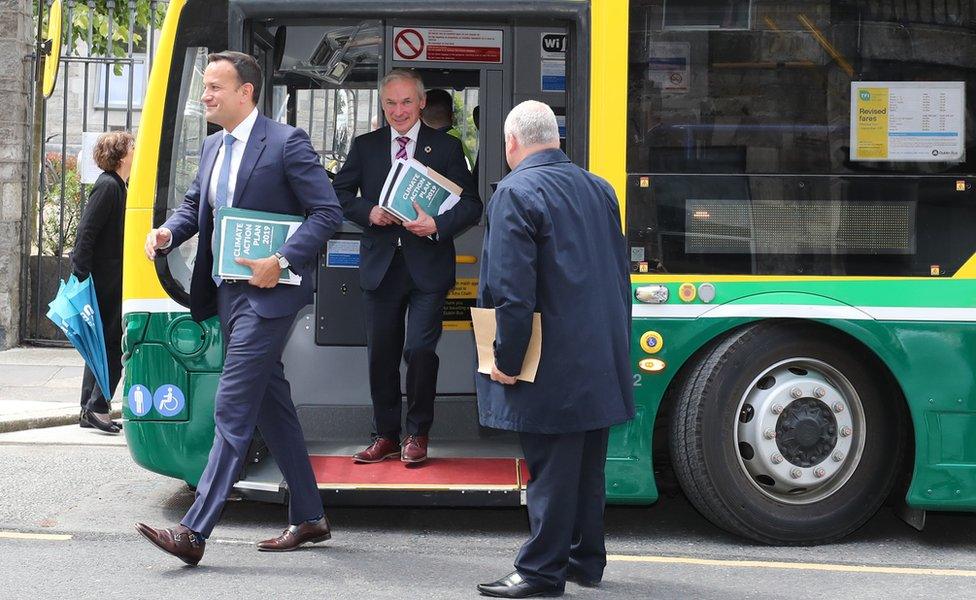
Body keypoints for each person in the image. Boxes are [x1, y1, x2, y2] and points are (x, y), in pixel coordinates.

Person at [138, 51, 343, 566]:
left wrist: (282, 258)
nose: (203, 96)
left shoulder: (286, 142)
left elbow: (327, 212)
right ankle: (310, 516)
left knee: (232, 405)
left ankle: (194, 530)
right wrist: (167, 232)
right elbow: (194, 206)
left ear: (245, 92)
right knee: (270, 402)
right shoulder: (212, 146)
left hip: (270, 295)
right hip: (229, 292)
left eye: (213, 87)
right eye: (204, 87)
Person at [474, 101, 635, 598]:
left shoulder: (515, 192)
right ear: (555, 138)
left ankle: (541, 571)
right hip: (600, 355)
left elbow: (513, 292)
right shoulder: (599, 188)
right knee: (587, 469)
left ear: (511, 144)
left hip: (550, 361)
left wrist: (506, 359)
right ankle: (585, 560)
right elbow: (617, 273)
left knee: (550, 471)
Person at [333, 69, 481, 465]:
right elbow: (340, 192)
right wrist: (370, 213)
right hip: (381, 267)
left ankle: (417, 433)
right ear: (383, 106)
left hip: (428, 266)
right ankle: (385, 436)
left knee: (419, 351)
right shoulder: (366, 146)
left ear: (420, 103)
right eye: (390, 103)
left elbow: (471, 205)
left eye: (405, 102)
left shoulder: (446, 148)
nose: (398, 111)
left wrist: (437, 225)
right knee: (381, 354)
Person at [71, 130, 134, 434]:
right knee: (112, 343)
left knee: (100, 344)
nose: (136, 151)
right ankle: (97, 407)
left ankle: (89, 407)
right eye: (133, 147)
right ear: (122, 155)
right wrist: (82, 278)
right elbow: (86, 233)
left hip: (109, 278)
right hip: (104, 281)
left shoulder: (120, 186)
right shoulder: (108, 187)